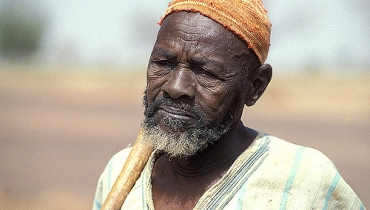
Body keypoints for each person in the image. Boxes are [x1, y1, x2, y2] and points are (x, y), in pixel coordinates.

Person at [93, 0, 365, 209]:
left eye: (206, 73)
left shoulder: (305, 182)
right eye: (164, 63)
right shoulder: (118, 174)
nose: (176, 88)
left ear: (255, 87)